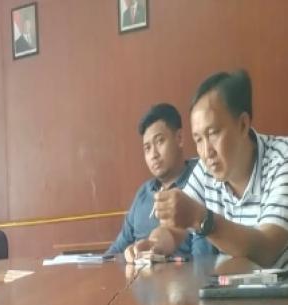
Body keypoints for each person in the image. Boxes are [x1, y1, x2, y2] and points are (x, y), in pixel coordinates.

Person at [136, 70, 288, 268]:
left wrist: (202, 219)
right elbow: (174, 230)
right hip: (233, 283)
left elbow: (267, 249)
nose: (207, 152)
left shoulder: (282, 161)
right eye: (198, 139)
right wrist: (155, 244)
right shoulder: (206, 168)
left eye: (213, 133)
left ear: (243, 125)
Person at [108, 103, 213, 259]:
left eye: (159, 141)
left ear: (179, 138)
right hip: (138, 273)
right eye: (147, 148)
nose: (153, 155)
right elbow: (116, 250)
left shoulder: (202, 180)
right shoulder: (143, 193)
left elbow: (203, 259)